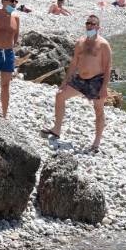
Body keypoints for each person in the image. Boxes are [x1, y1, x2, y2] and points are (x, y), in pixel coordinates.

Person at [41, 15, 112, 152]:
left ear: (98, 27)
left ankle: (96, 143)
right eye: (88, 23)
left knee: (98, 110)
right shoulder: (80, 42)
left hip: (96, 80)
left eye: (92, 24)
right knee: (60, 95)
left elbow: (108, 67)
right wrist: (65, 80)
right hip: (80, 79)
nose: (89, 26)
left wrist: (104, 87)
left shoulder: (103, 44)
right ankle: (56, 129)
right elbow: (74, 63)